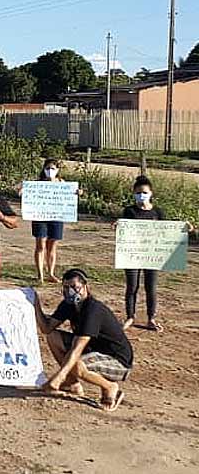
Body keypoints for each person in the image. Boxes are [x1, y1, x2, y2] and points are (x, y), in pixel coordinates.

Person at [32, 268, 131, 412]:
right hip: (93, 352)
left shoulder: (93, 310)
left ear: (85, 286)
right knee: (53, 337)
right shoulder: (68, 305)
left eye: (74, 287)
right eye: (66, 287)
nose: (69, 291)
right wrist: (35, 305)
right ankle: (72, 383)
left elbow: (77, 348)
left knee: (76, 363)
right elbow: (47, 328)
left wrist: (58, 377)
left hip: (117, 361)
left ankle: (110, 386)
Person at [119, 176, 165, 331]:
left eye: (144, 192)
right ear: (134, 193)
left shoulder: (158, 212)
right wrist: (119, 226)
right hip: (132, 254)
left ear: (151, 193)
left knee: (151, 287)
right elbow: (124, 230)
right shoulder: (129, 211)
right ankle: (130, 317)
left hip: (152, 255)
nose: (141, 195)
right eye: (138, 193)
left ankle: (151, 318)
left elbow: (167, 231)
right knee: (132, 286)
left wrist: (184, 228)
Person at [26, 158, 80, 284]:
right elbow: (27, 193)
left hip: (56, 216)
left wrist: (77, 193)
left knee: (52, 245)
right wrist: (23, 191)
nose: (50, 171)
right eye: (47, 168)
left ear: (58, 170)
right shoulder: (37, 184)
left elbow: (69, 196)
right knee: (40, 244)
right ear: (43, 169)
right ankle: (40, 275)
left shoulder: (62, 183)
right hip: (40, 216)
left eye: (53, 168)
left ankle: (51, 273)